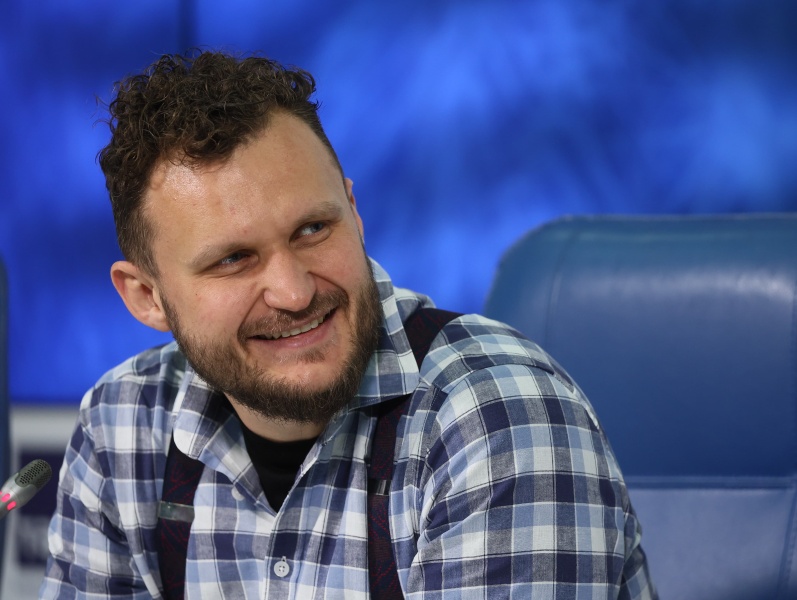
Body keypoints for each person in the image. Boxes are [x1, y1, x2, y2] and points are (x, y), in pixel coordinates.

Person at [40, 50, 656, 599]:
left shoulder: (494, 415)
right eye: (233, 260)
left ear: (354, 213)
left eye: (313, 229)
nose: (294, 292)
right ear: (146, 297)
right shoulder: (122, 425)